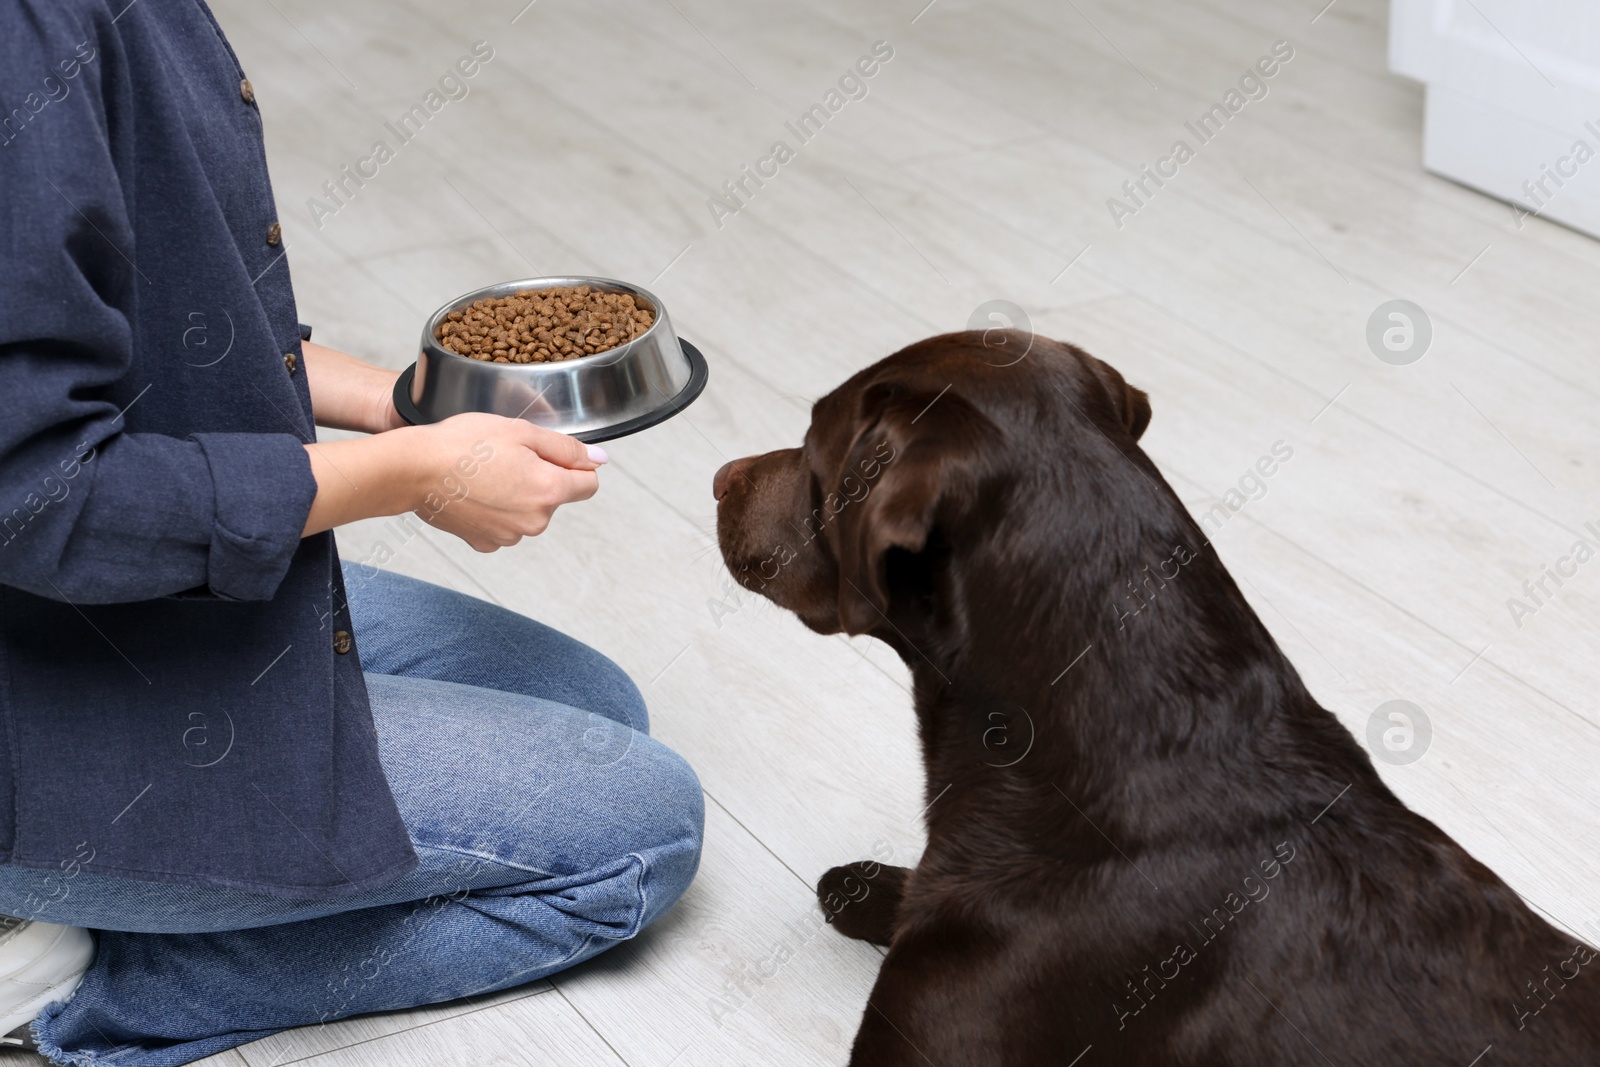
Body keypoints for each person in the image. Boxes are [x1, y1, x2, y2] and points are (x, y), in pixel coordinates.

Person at [0, 2, 705, 1063]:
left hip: (83, 609)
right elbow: (46, 499)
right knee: (643, 830)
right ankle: (78, 970)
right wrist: (409, 475)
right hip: (36, 656)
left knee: (592, 705)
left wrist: (393, 403)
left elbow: (140, 314)